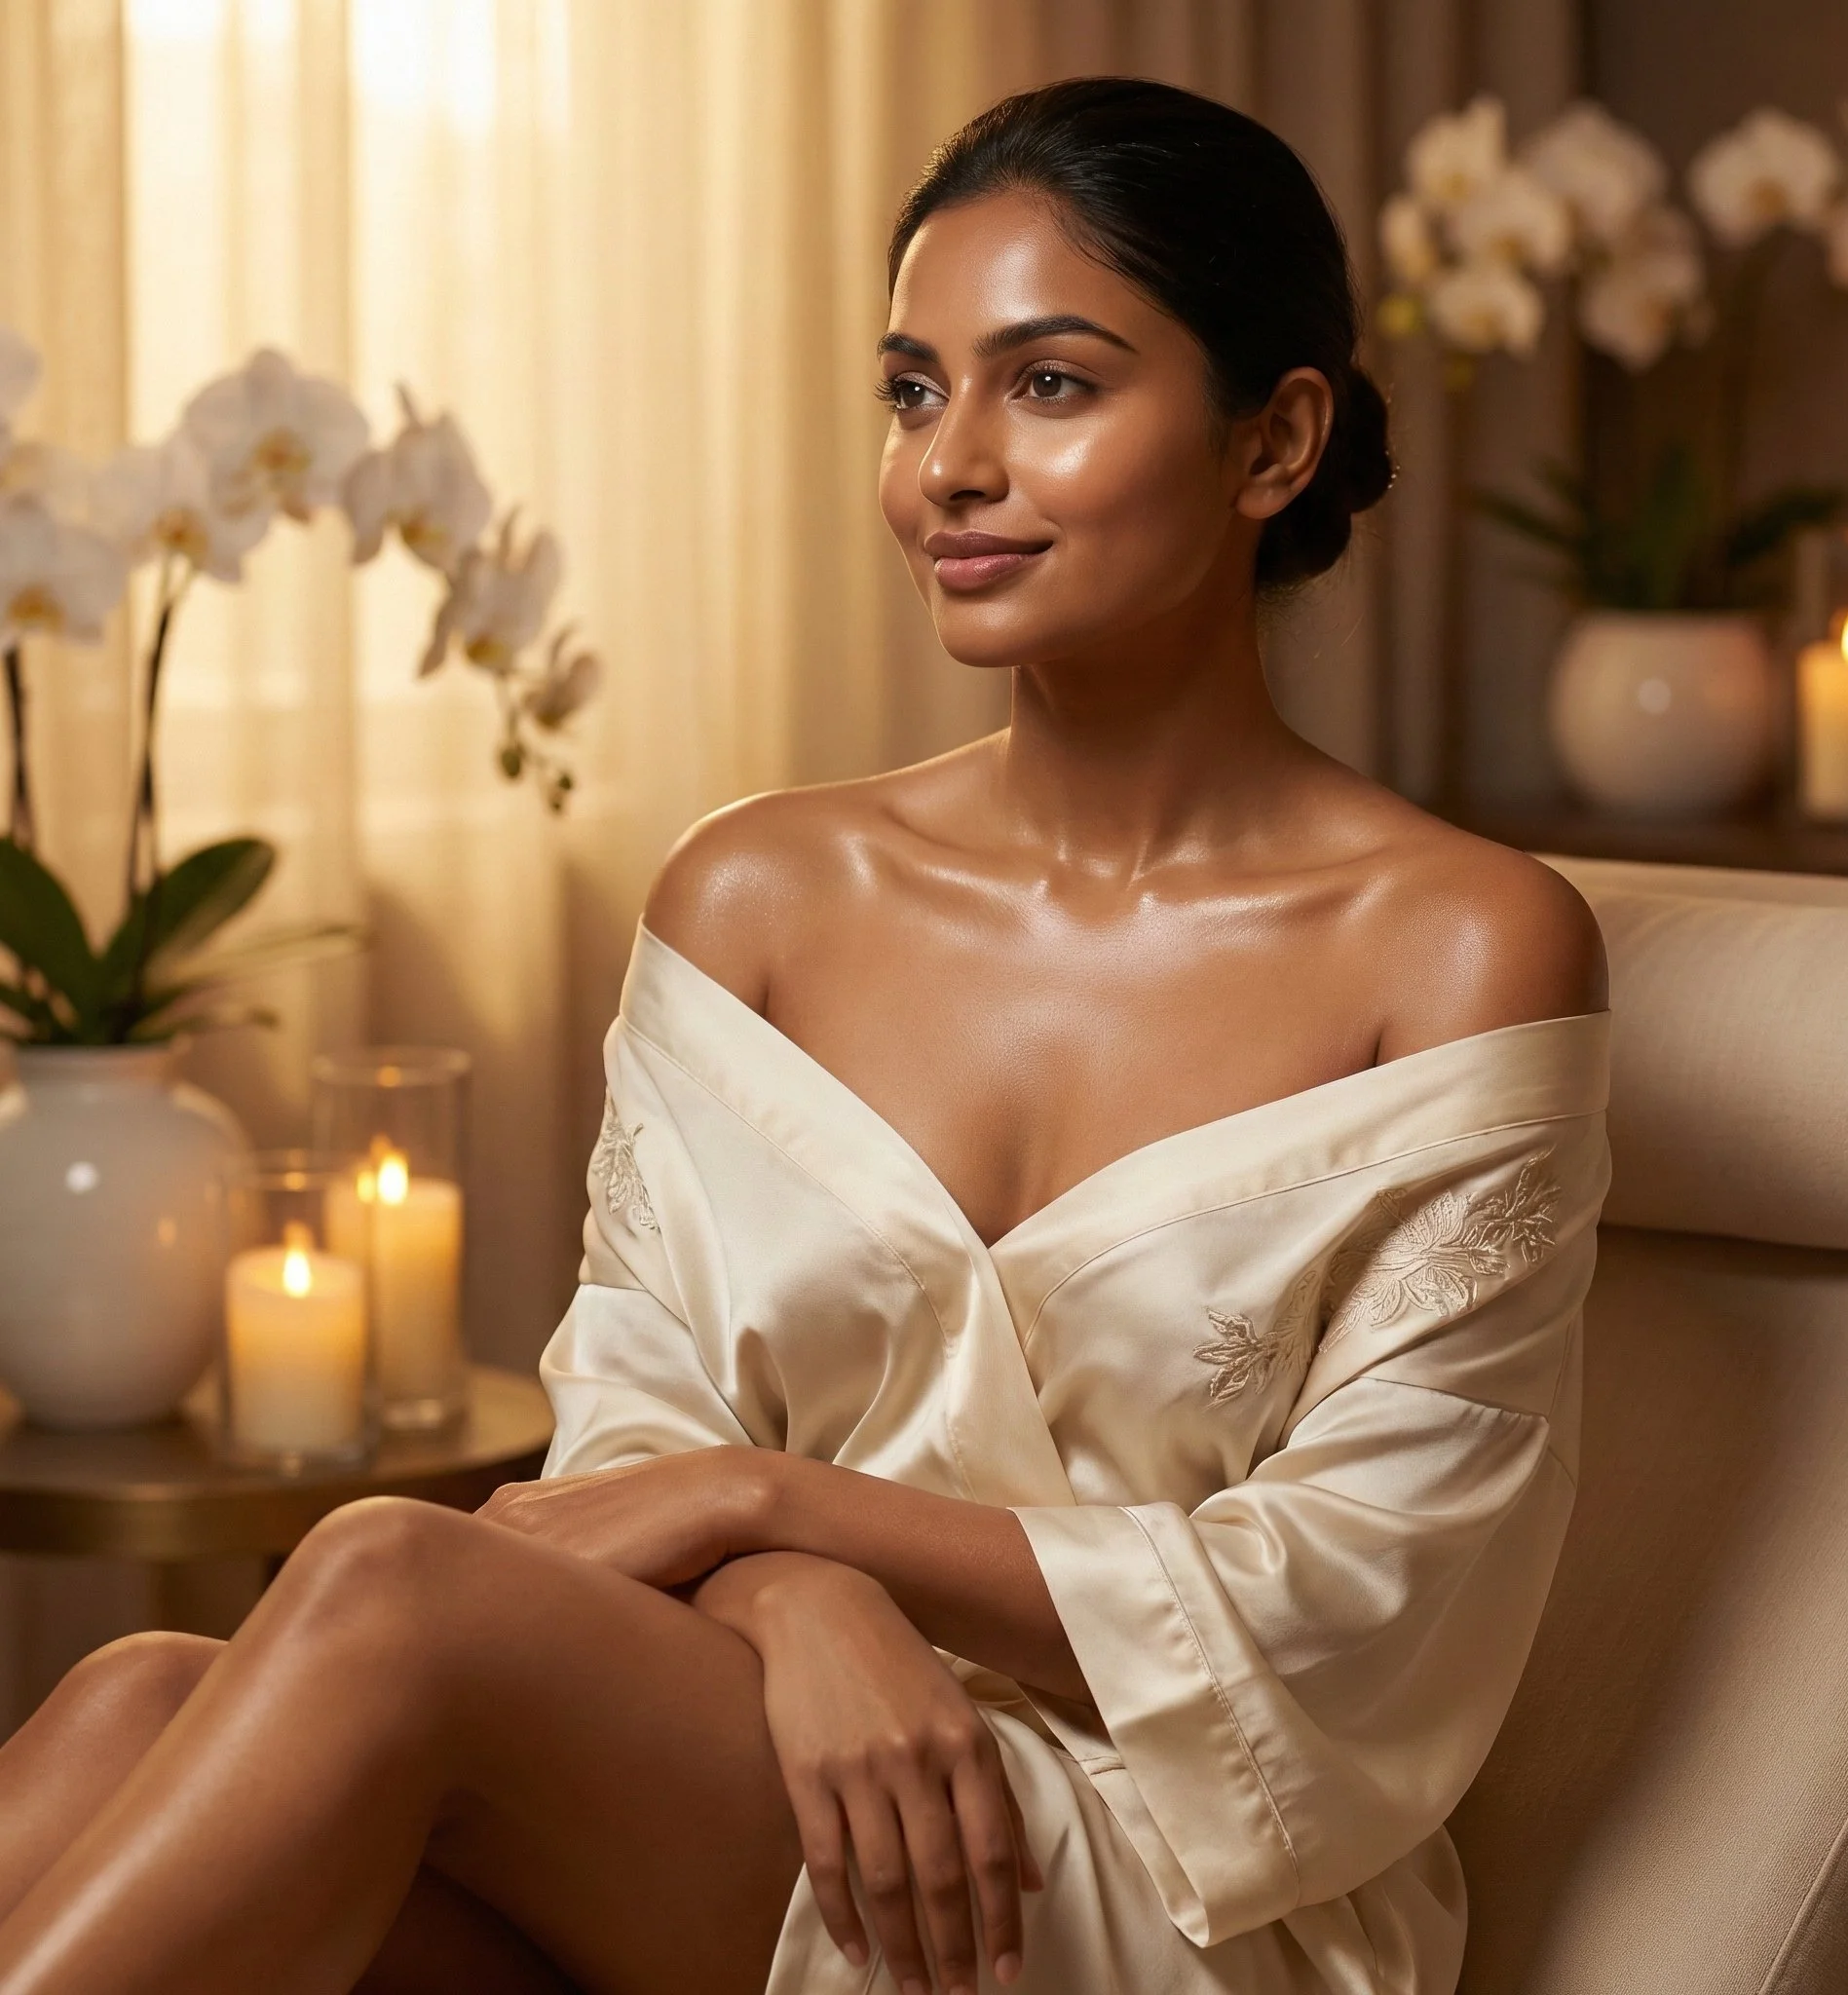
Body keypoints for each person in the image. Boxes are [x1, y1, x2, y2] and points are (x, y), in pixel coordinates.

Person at [0, 76, 1607, 1995]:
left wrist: (771, 1502)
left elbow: (1364, 1603)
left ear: (1275, 440)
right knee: (128, 1704)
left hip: (1163, 1879)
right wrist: (802, 1591)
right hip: (754, 1738)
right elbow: (634, 1438)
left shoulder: (1461, 949)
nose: (950, 465)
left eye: (1053, 384)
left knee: (385, 1584)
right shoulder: (755, 896)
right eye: (914, 389)